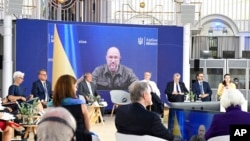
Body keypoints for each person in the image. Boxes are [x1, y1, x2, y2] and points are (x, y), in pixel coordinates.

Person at [48, 74, 93, 141]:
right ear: (70, 88)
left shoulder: (51, 106)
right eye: (75, 87)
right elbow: (88, 128)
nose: (76, 89)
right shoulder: (81, 104)